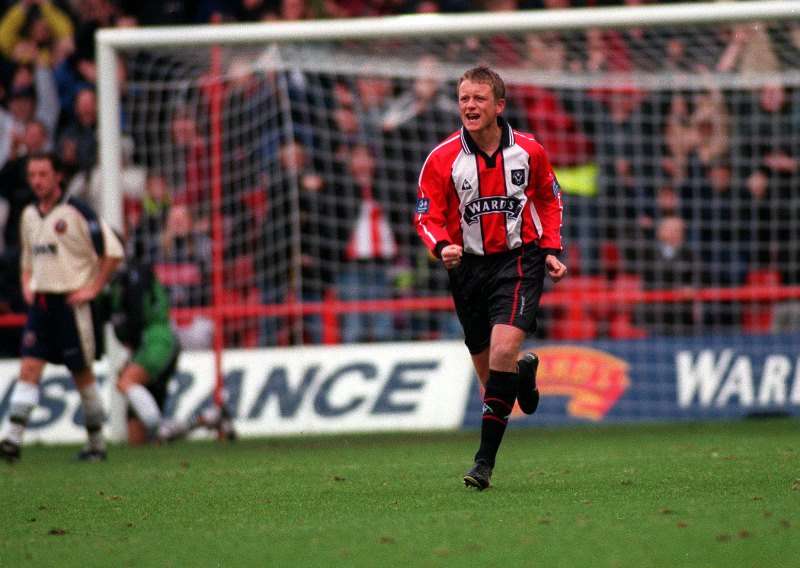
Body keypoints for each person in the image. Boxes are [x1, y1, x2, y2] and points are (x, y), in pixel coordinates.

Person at [414, 66, 567, 490]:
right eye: (464, 98)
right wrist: (441, 244)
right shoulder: (443, 158)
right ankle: (523, 371)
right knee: (491, 378)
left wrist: (552, 248)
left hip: (519, 261)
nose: (469, 105)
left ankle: (483, 464)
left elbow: (549, 198)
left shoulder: (529, 151)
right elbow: (427, 215)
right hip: (467, 269)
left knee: (500, 352)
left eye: (479, 98)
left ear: (499, 105)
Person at [0, 151, 124, 463]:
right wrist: (28, 282)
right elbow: (28, 258)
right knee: (29, 366)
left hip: (72, 305)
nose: (37, 182)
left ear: (58, 176)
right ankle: (12, 441)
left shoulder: (78, 212)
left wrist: (93, 288)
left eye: (43, 174)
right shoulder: (29, 215)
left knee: (82, 375)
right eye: (33, 176)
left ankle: (97, 444)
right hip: (42, 305)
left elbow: (113, 251)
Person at [99, 261, 234, 445]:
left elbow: (136, 318)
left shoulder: (132, 276)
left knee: (126, 381)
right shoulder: (114, 284)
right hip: (147, 346)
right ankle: (208, 419)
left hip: (157, 342)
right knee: (138, 441)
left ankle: (165, 426)